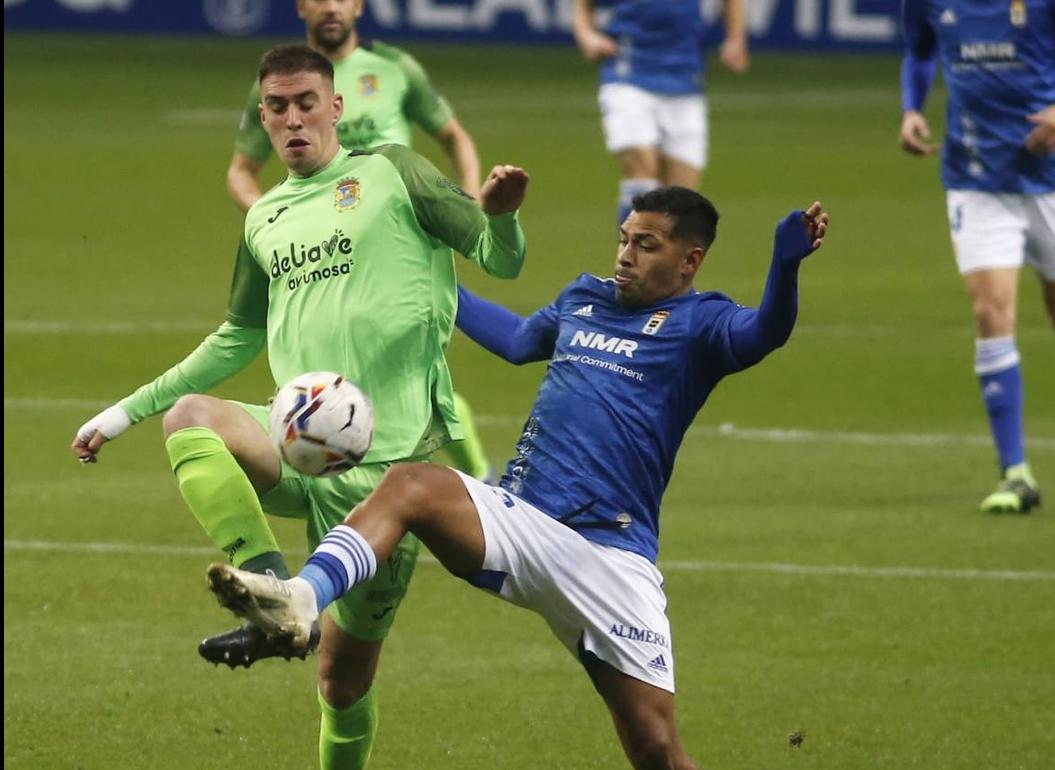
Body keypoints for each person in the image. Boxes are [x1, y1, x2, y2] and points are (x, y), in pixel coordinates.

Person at [205, 187, 828, 769]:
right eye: (623, 239)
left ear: (690, 260)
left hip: (610, 558)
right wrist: (431, 280)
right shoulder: (586, 299)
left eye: (646, 245)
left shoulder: (702, 324)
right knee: (412, 486)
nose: (625, 255)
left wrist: (785, 265)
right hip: (525, 521)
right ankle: (302, 597)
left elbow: (764, 331)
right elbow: (520, 340)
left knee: (656, 748)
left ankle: (301, 598)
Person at [71, 45, 528, 770]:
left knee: (341, 686)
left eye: (306, 103)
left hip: (389, 483)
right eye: (277, 107)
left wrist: (501, 218)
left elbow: (502, 260)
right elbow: (236, 336)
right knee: (190, 417)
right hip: (296, 452)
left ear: (335, 107)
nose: (292, 119)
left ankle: (297, 624)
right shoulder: (264, 217)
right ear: (263, 116)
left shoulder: (395, 171)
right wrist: (124, 412)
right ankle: (271, 591)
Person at [229, 0, 497, 489]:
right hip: (334, 247)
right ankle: (443, 488)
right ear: (301, 7)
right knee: (371, 381)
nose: (331, 7)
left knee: (412, 371)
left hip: (397, 239)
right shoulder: (275, 87)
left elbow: (453, 135)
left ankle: (477, 480)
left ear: (359, 6)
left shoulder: (395, 69)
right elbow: (241, 170)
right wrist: (277, 222)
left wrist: (469, 201)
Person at [898, 0, 1055, 513]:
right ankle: (1015, 474)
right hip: (975, 177)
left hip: (1051, 178)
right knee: (991, 312)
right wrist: (912, 108)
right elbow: (919, 51)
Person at [572, 0, 748, 223]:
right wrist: (587, 36)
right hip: (628, 72)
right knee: (642, 174)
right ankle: (631, 246)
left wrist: (735, 39)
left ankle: (653, 246)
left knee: (680, 204)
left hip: (686, 79)